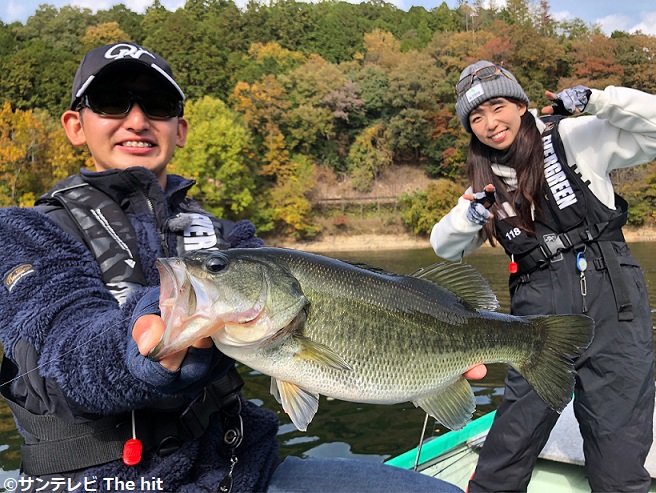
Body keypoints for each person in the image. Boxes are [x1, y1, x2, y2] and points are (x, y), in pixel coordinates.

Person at [0, 42, 467, 492]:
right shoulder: (23, 232)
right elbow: (63, 345)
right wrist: (139, 349)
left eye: (158, 104)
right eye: (111, 102)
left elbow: (312, 314)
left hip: (236, 473)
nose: (137, 120)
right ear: (75, 125)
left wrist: (406, 348)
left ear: (180, 129)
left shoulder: (230, 240)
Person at [431, 60, 656, 492]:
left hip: (616, 304)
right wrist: (472, 214)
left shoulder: (577, 135)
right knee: (510, 444)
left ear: (520, 104)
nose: (489, 124)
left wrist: (600, 100)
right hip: (539, 316)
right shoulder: (486, 181)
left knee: (619, 460)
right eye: (476, 118)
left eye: (497, 107)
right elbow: (444, 245)